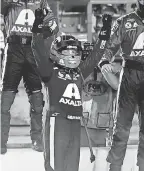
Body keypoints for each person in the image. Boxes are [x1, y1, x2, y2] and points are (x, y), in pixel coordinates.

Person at [31, 12, 112, 171]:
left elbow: (96, 55)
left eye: (75, 52)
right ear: (57, 53)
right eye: (67, 52)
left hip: (76, 123)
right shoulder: (50, 70)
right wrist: (37, 26)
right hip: (57, 122)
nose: (72, 56)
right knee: (55, 166)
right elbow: (38, 49)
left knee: (72, 166)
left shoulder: (80, 72)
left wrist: (105, 32)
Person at [0, 0, 58, 154]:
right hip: (13, 48)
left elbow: (54, 25)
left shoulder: (41, 2)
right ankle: (1, 142)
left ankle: (37, 139)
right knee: (5, 99)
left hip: (34, 48)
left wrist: (42, 33)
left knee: (37, 99)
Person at [98, 0, 144, 170]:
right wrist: (103, 62)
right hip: (129, 75)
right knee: (122, 127)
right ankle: (114, 167)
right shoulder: (124, 22)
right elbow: (110, 46)